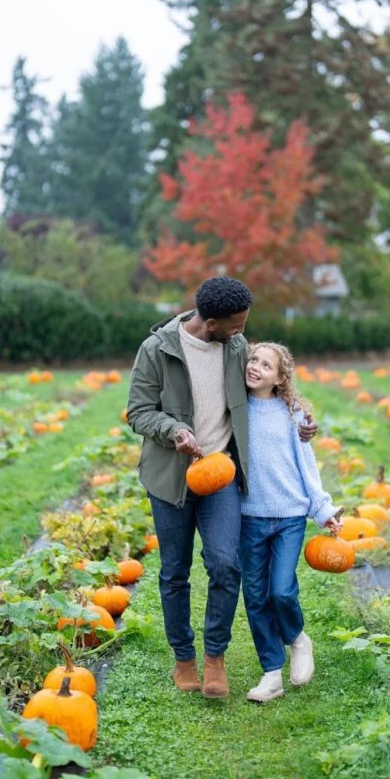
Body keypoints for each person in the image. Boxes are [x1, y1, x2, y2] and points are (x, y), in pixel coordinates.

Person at [127, 276, 318, 699]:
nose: (243, 333)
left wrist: (300, 422)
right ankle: (184, 658)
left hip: (221, 475)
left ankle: (216, 656)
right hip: (170, 477)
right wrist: (172, 428)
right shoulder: (156, 350)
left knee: (225, 565)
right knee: (175, 573)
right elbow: (138, 411)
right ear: (211, 322)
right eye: (236, 324)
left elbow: (270, 386)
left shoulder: (235, 349)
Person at [240, 342, 344, 703]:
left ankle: (298, 639)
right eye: (253, 360)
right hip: (249, 516)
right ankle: (271, 673)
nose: (255, 367)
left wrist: (323, 509)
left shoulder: (293, 415)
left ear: (281, 378)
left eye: (266, 365)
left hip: (289, 516)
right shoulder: (236, 408)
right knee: (254, 595)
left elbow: (307, 466)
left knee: (281, 590)